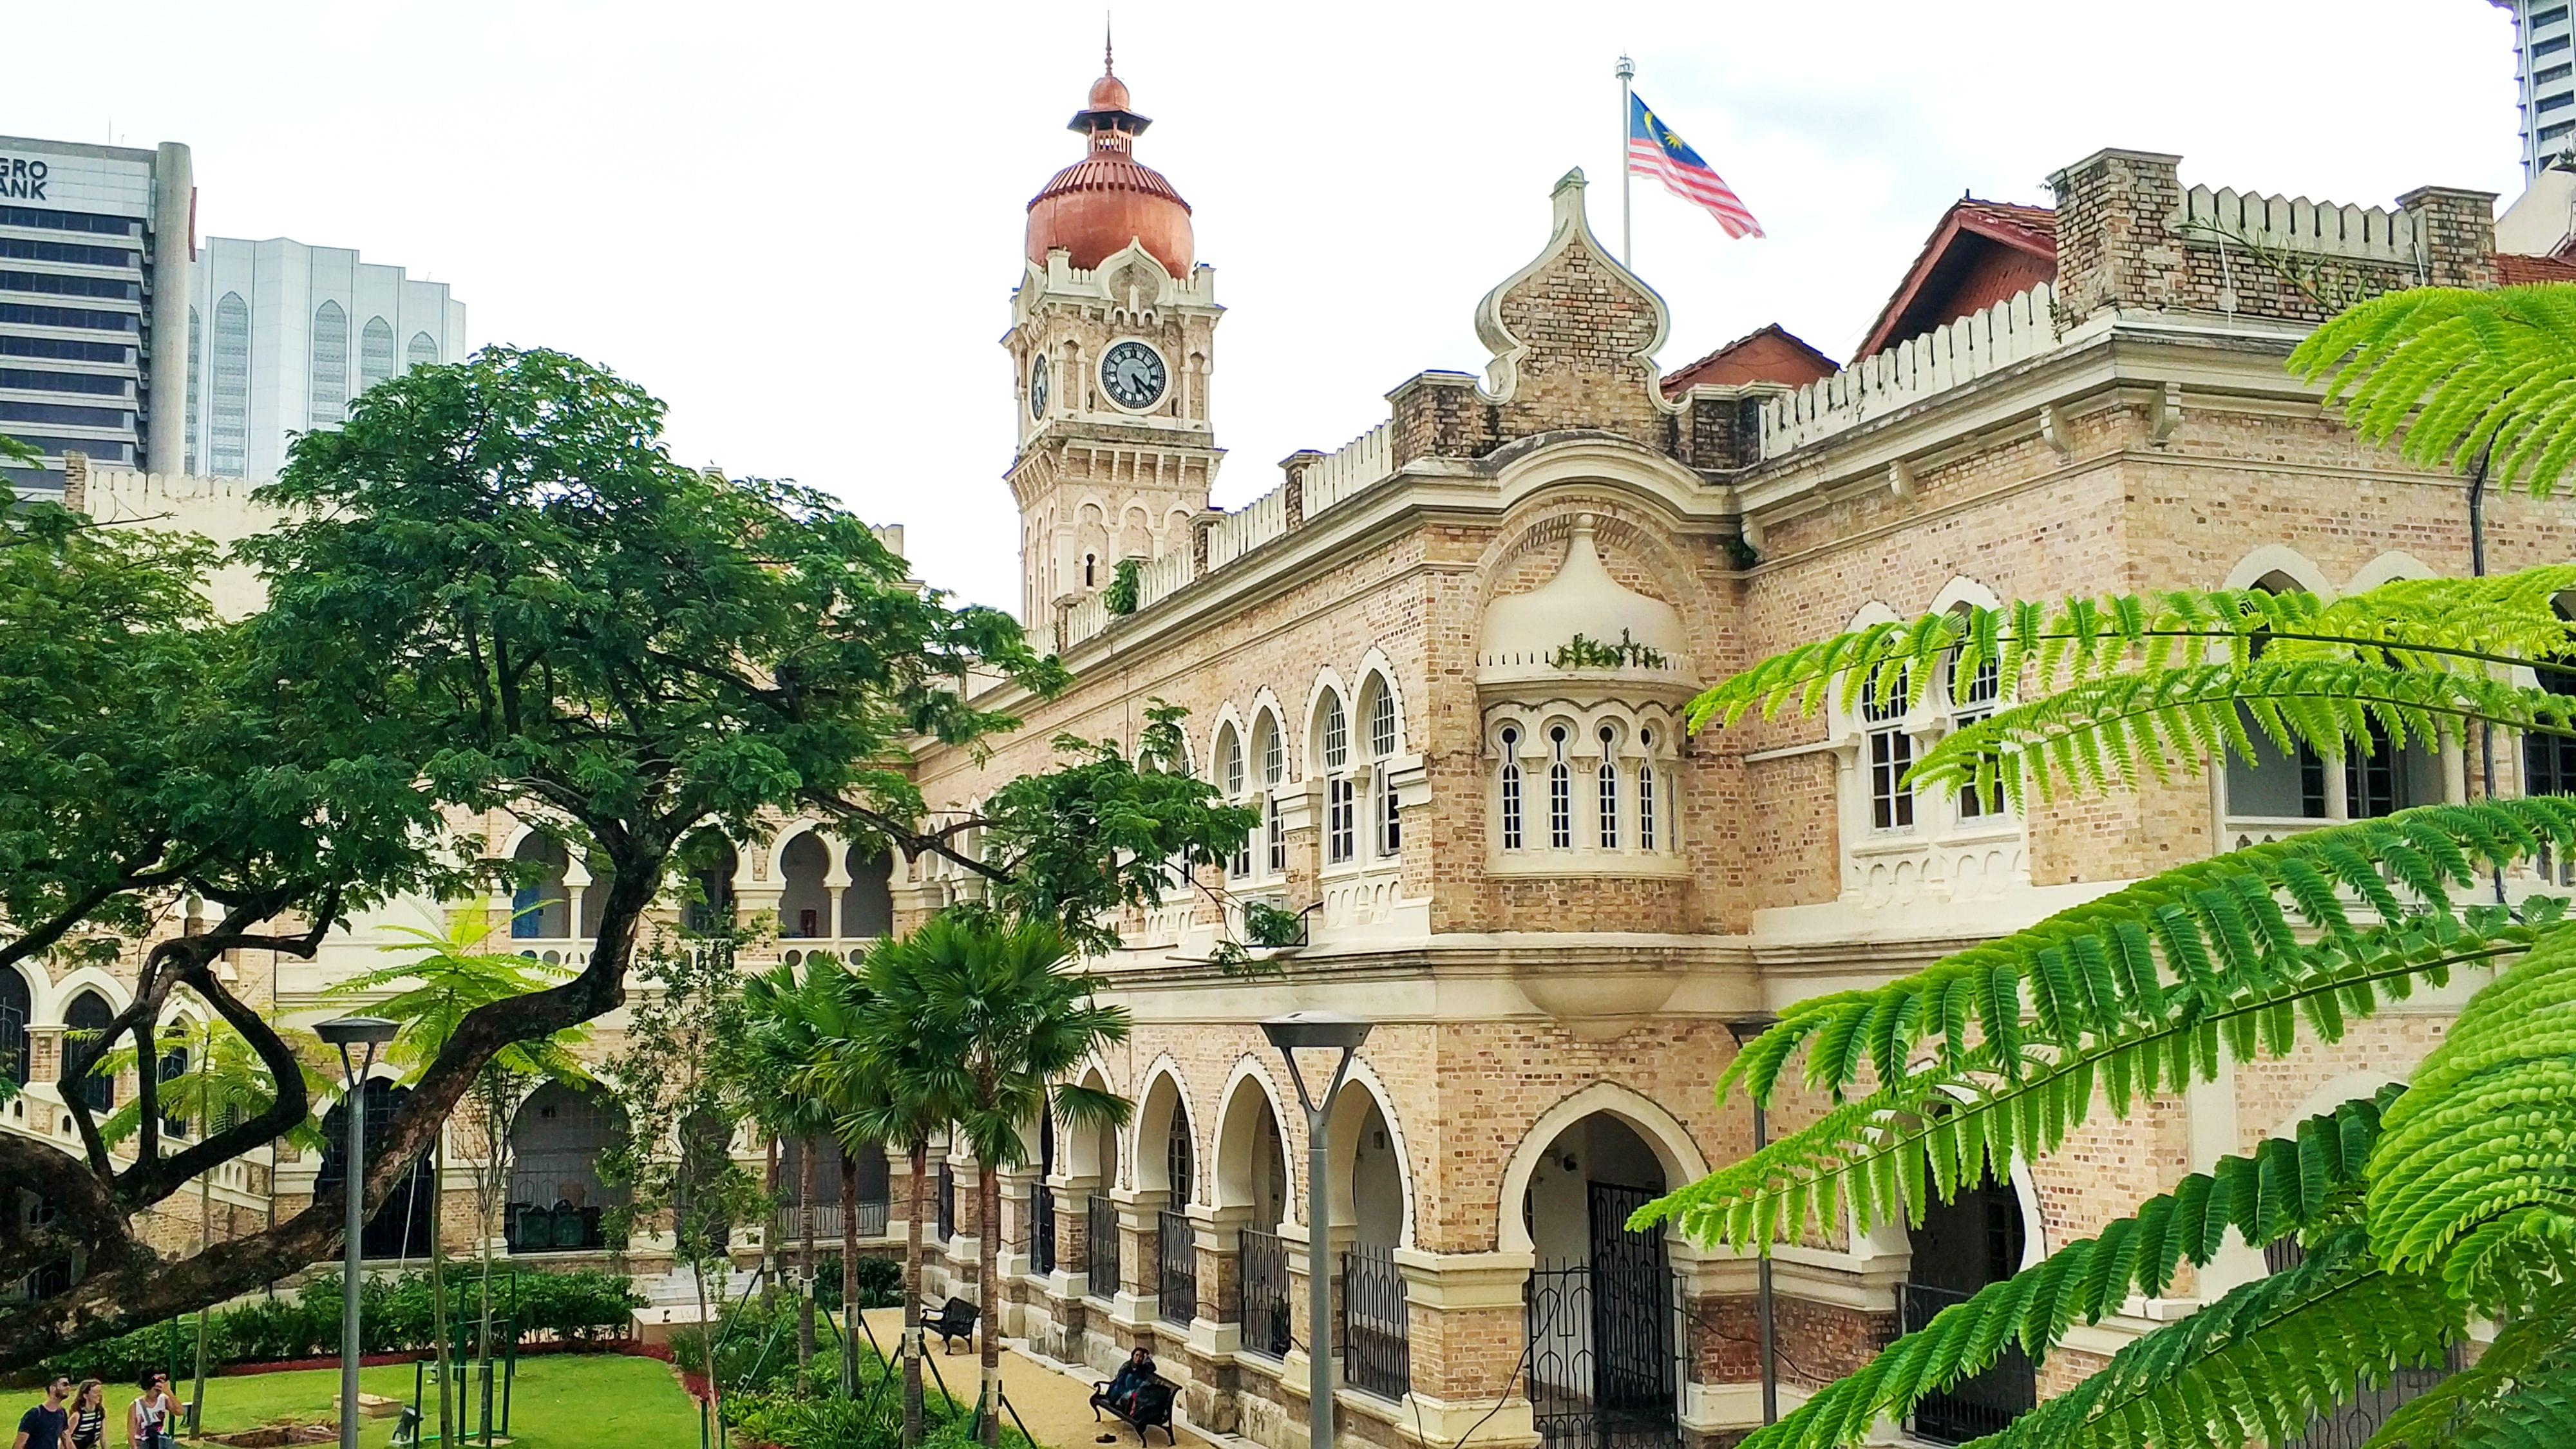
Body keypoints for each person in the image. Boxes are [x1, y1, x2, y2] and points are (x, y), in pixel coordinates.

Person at [13, 1376, 71, 1449]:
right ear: (52, 1388)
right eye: (64, 1384)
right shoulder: (34, 1415)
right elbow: (19, 1445)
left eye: (69, 1385)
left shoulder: (62, 1413)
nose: (68, 1388)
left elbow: (67, 1441)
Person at [1103, 1346, 1156, 1417]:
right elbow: (1120, 1382)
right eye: (1137, 1355)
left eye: (1141, 1357)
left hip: (1130, 1394)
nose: (1138, 1359)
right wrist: (1128, 1393)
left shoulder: (1142, 1368)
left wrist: (1147, 1357)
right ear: (1133, 1355)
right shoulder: (1127, 1366)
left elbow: (1153, 1368)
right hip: (1118, 1392)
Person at [124, 1374, 172, 1449]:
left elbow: (179, 1411)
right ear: (148, 1388)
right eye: (156, 1390)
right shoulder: (135, 1406)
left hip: (158, 1441)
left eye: (159, 1391)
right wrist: (134, 1447)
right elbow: (131, 1433)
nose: (158, 1393)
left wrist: (169, 1392)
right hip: (142, 1443)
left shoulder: (164, 1400)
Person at [67, 1384, 101, 1449]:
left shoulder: (100, 1414)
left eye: (99, 1392)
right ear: (85, 1396)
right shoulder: (77, 1416)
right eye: (95, 1392)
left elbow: (103, 1438)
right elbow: (66, 1438)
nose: (99, 1395)